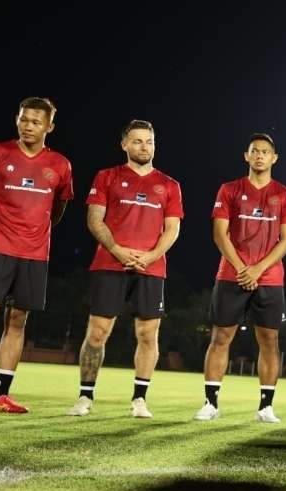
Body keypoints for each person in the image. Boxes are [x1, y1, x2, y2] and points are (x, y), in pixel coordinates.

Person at [67, 120, 183, 418]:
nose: (144, 147)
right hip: (109, 263)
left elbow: (172, 228)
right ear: (124, 145)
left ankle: (140, 399)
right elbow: (95, 219)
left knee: (148, 334)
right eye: (138, 141)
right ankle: (85, 397)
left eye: (149, 142)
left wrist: (151, 255)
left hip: (151, 268)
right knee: (98, 332)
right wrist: (118, 250)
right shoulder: (107, 177)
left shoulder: (170, 185)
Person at [194, 133, 286, 423]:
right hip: (231, 275)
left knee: (269, 341)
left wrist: (257, 269)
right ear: (246, 156)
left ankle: (266, 407)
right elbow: (219, 234)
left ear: (274, 158)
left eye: (265, 152)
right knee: (220, 337)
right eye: (255, 151)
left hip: (269, 279)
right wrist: (243, 268)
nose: (260, 156)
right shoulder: (229, 189)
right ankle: (210, 404)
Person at [0, 97, 73, 414]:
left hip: (34, 253)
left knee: (17, 320)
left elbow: (57, 210)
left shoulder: (60, 164)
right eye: (23, 119)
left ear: (49, 126)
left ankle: (1, 396)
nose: (28, 125)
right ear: (17, 120)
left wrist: (34, 232)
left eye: (35, 121)